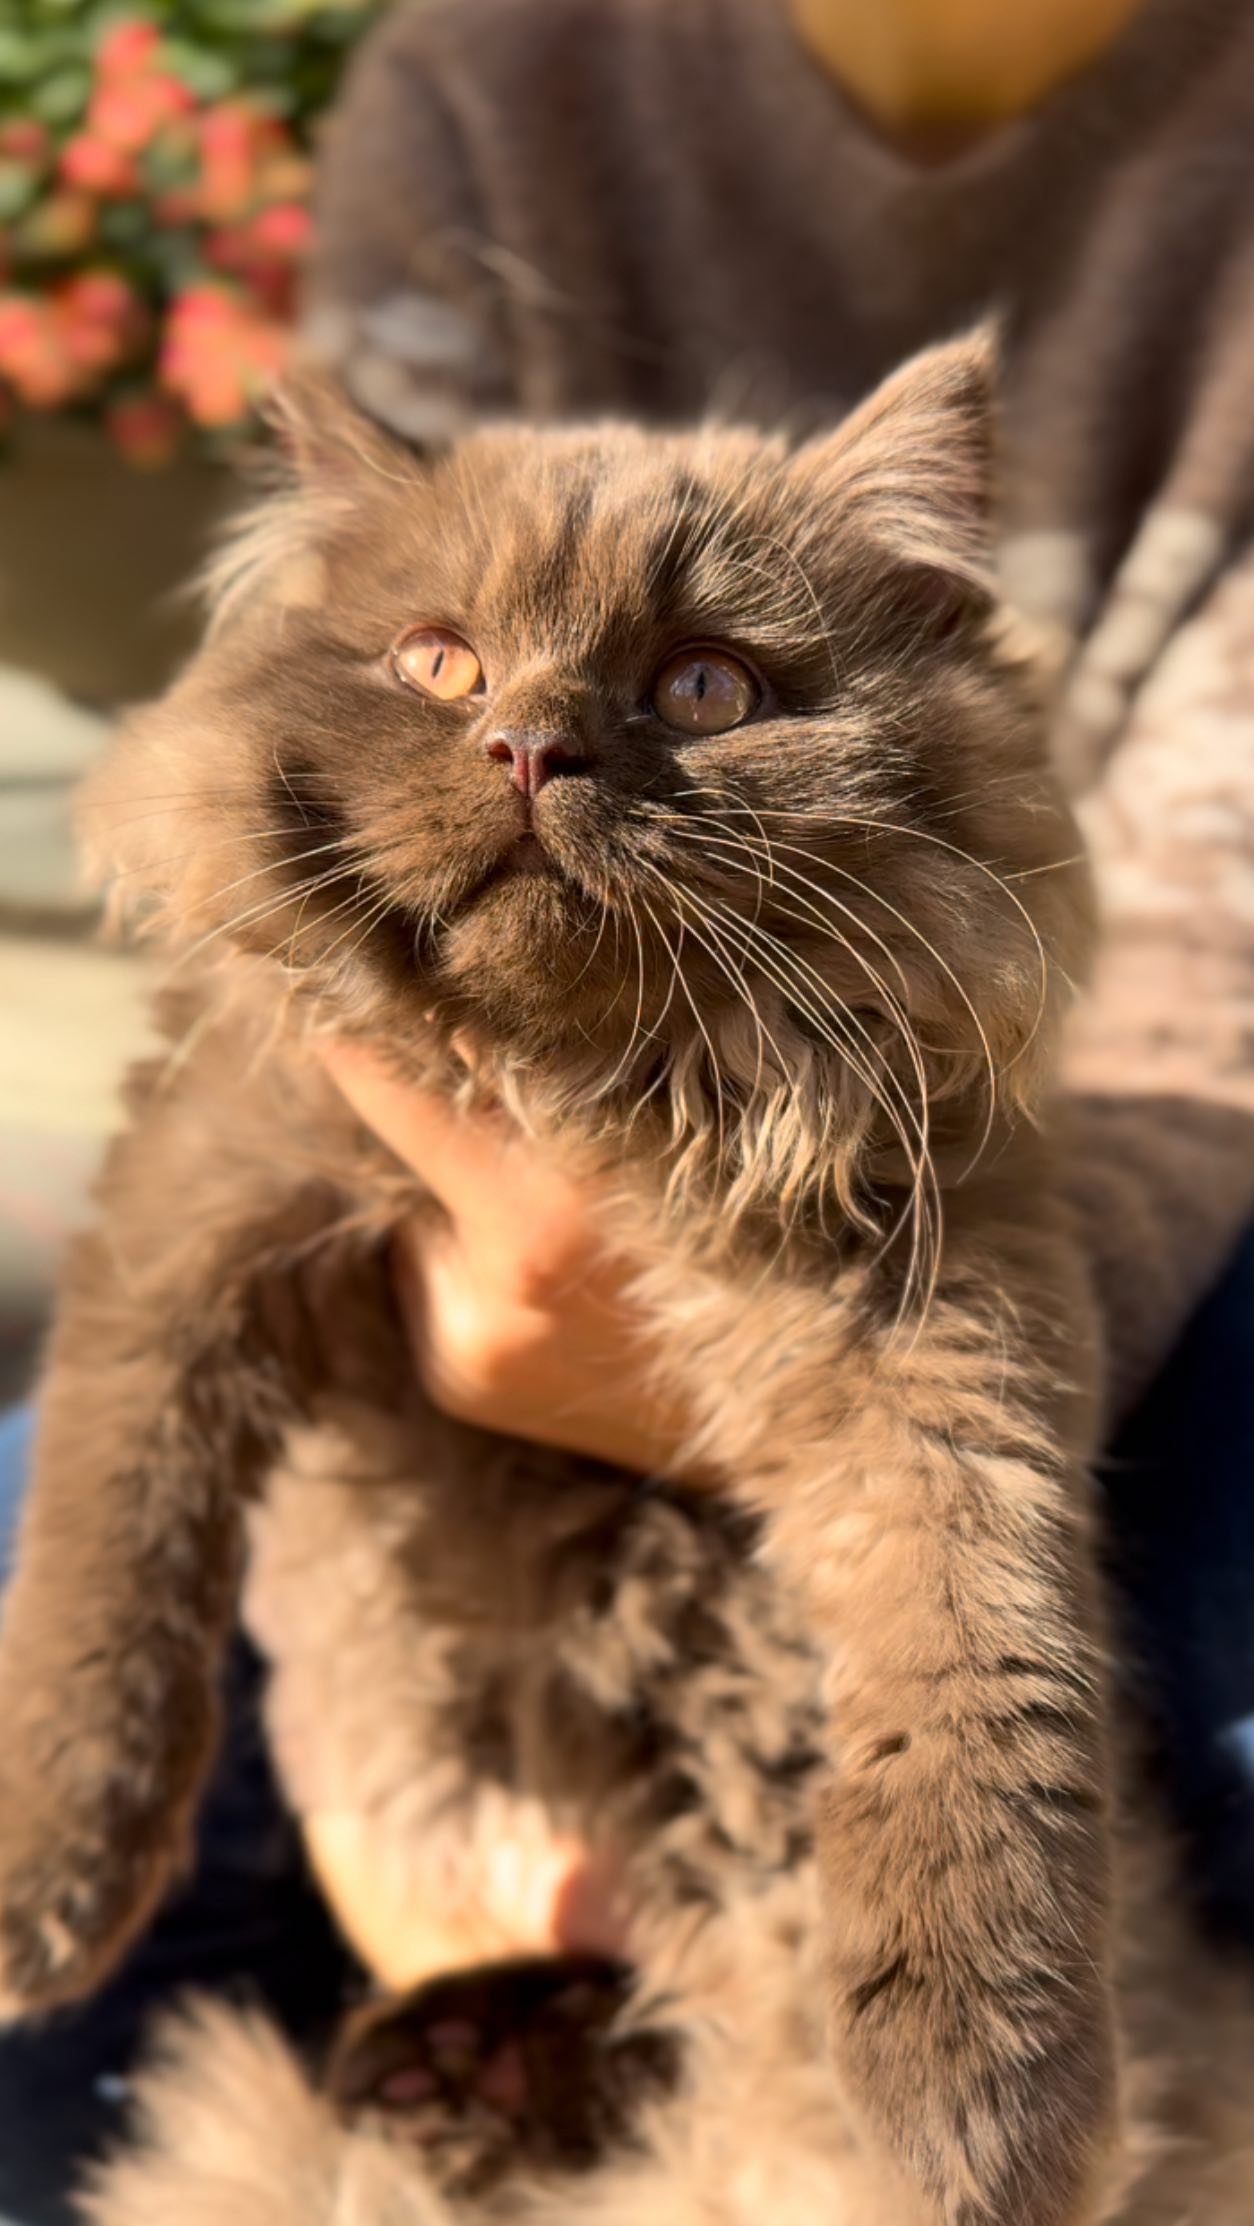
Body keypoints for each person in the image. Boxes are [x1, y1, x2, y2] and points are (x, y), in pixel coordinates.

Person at [2, 0, 1253, 2215]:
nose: (539, 747)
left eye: (695, 688)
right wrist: (408, 1805)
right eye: (462, 683)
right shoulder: (493, 82)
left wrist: (754, 1357)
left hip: (1118, 1168)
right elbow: (176, 1294)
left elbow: (1192, 1000)